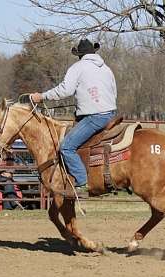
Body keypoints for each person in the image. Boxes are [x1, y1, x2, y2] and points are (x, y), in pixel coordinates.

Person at [31, 38, 117, 190]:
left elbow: (65, 90)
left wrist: (42, 96)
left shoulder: (78, 67)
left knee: (66, 146)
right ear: (94, 52)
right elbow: (113, 92)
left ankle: (81, 181)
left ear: (79, 55)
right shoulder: (106, 68)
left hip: (95, 116)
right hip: (110, 113)